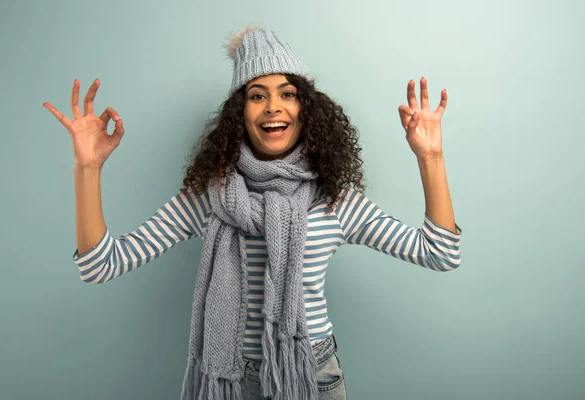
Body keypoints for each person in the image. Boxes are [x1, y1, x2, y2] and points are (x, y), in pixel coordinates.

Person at [43, 26, 462, 400]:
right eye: (257, 96)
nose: (273, 107)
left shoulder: (334, 198)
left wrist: (431, 156)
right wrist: (88, 168)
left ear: (306, 109)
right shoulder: (210, 198)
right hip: (228, 380)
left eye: (287, 94)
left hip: (310, 376)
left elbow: (440, 252)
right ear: (239, 114)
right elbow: (100, 265)